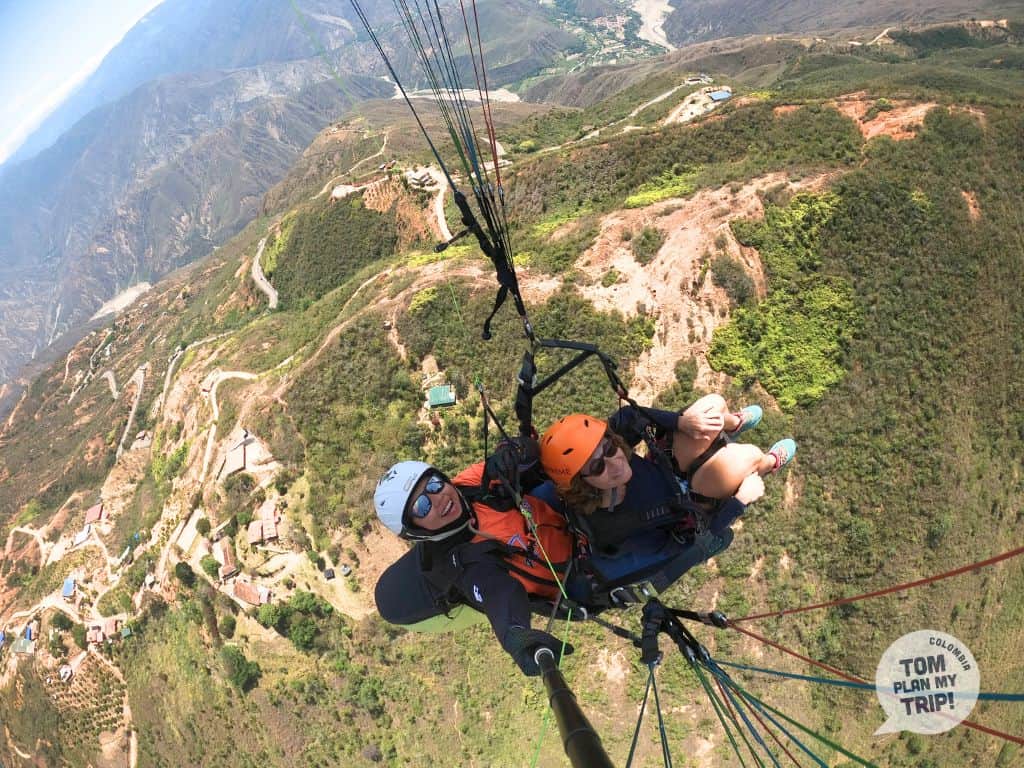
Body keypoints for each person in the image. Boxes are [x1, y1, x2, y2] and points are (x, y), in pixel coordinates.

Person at [537, 394, 796, 600]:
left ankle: (734, 424)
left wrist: (682, 423)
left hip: (667, 466)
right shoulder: (617, 528)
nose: (613, 462)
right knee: (746, 456)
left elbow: (629, 416)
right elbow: (685, 550)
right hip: (690, 502)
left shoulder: (612, 458)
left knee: (712, 406)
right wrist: (739, 502)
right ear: (582, 485)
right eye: (596, 467)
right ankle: (767, 464)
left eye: (609, 447)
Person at [373, 457, 576, 676]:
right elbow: (497, 592)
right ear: (416, 531)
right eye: (422, 507)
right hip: (576, 573)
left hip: (561, 512)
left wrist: (516, 454)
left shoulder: (468, 488)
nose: (438, 498)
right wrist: (514, 634)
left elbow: (501, 462)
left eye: (434, 484)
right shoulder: (463, 562)